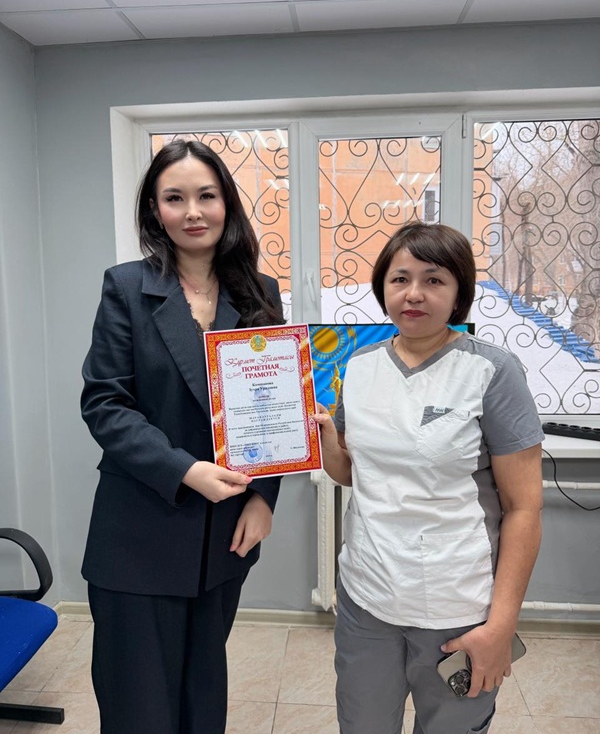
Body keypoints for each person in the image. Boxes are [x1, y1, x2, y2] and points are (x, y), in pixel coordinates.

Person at [81, 140, 285, 734]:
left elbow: (272, 407)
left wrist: (264, 498)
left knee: (202, 701)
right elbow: (105, 404)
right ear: (155, 210)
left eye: (206, 196)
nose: (193, 211)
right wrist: (185, 470)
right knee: (140, 708)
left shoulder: (259, 291)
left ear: (227, 204)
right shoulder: (126, 287)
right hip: (139, 533)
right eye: (175, 198)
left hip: (224, 537)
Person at [313, 222, 543, 734]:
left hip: (458, 605)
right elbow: (352, 471)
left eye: (433, 280)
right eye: (400, 279)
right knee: (363, 725)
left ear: (459, 292)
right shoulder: (359, 365)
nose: (413, 294)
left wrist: (501, 624)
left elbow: (524, 508)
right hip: (368, 598)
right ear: (383, 288)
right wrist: (326, 439)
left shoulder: (491, 372)